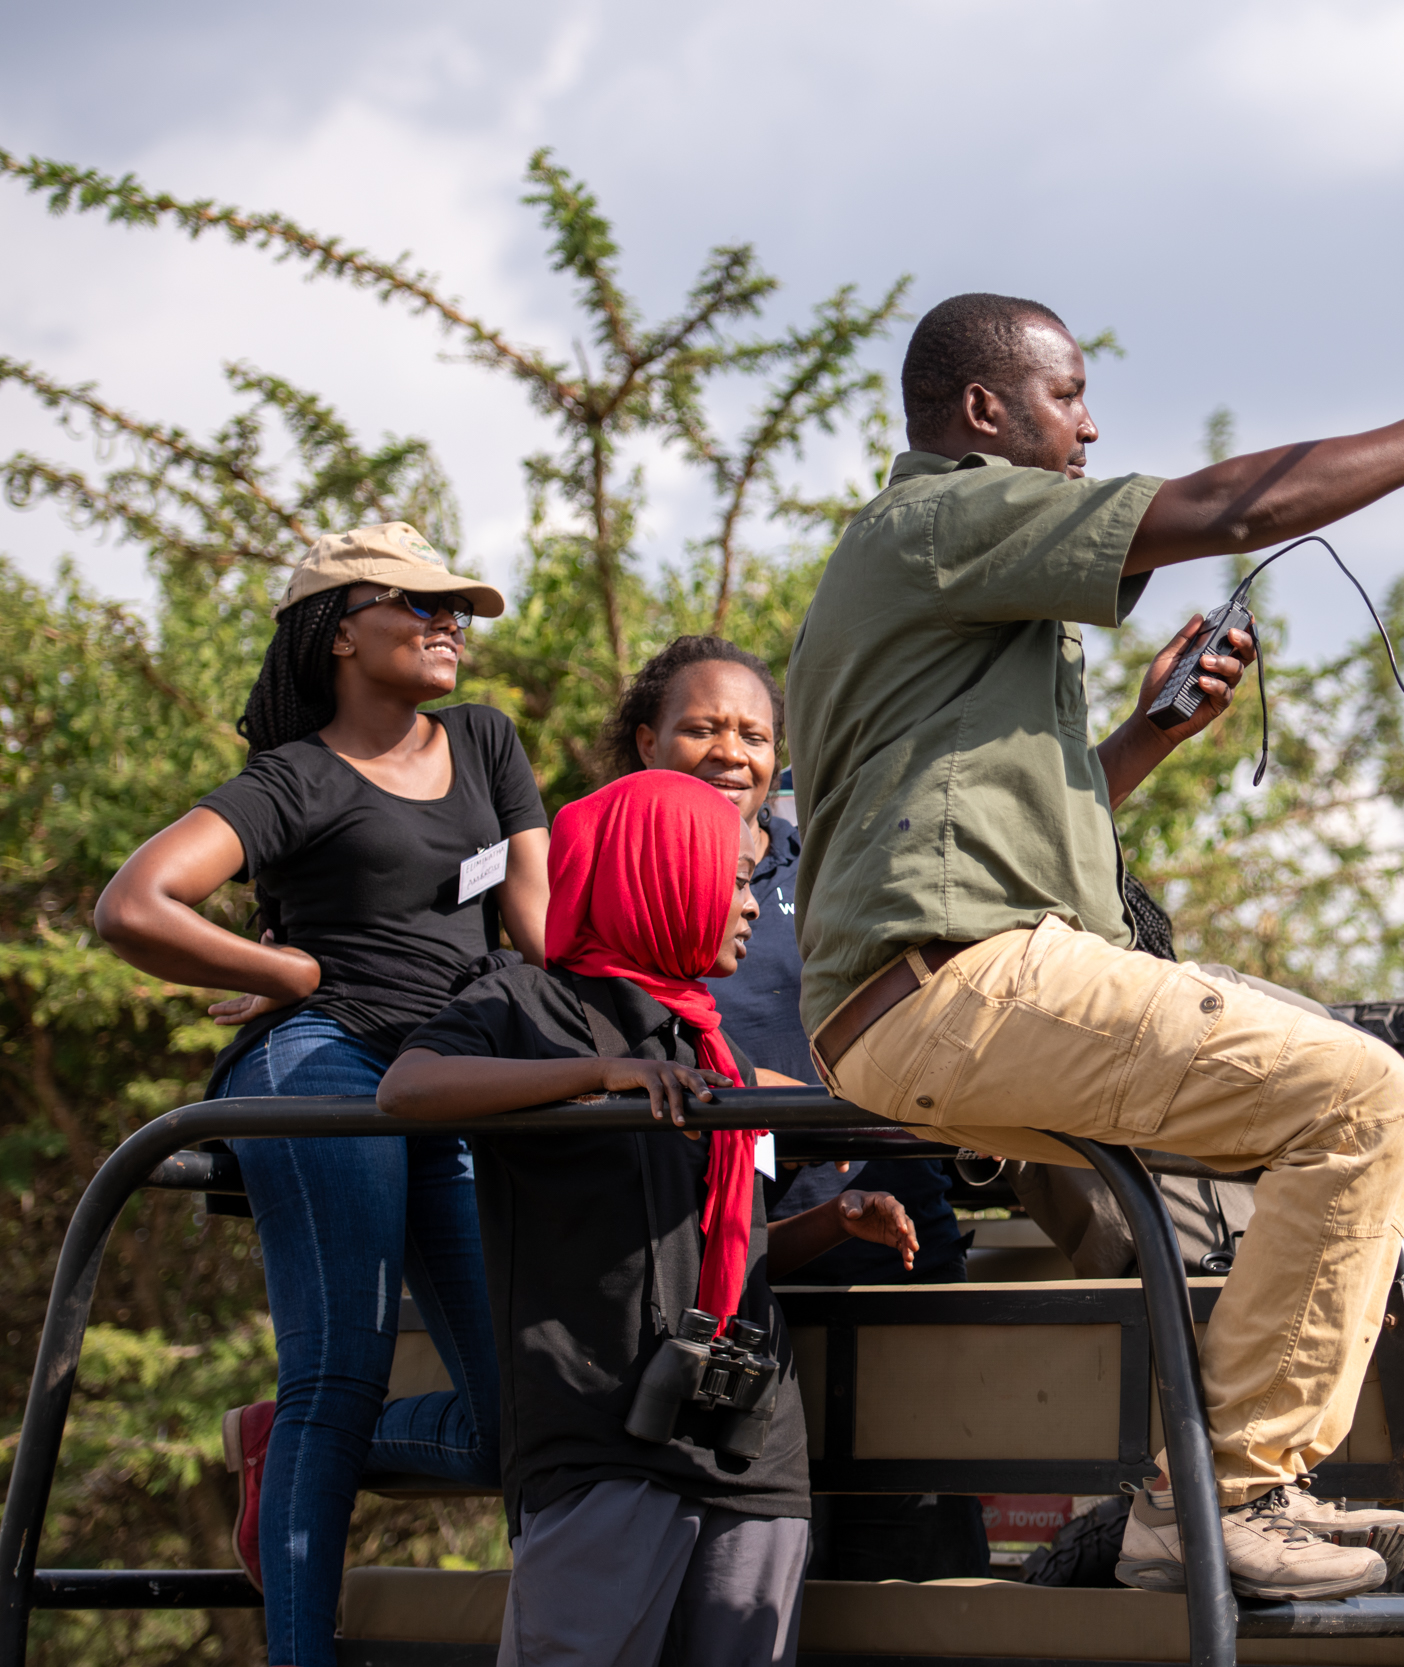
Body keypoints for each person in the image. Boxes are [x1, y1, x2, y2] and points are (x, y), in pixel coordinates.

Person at [783, 291, 1404, 1599]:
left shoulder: (955, 592)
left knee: (1304, 1107)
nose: (1093, 426)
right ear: (986, 412)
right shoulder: (945, 510)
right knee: (1363, 1091)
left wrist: (1153, 732)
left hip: (930, 994)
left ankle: (1216, 1486)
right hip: (957, 984)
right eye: (1070, 395)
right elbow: (1234, 508)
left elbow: (1011, 832)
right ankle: (1223, 1491)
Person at [93, 522, 545, 1666]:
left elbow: (542, 933)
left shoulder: (488, 741)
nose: (449, 624)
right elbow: (134, 904)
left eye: (458, 608)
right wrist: (286, 970)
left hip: (452, 1076)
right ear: (343, 628)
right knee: (336, 1374)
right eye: (421, 604)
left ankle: (280, 1446)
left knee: (523, 1424)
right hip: (330, 1069)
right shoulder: (292, 778)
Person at [379, 768, 918, 1667]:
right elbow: (409, 1086)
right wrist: (598, 1078)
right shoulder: (531, 1004)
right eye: (734, 879)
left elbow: (706, 1255)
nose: (753, 905)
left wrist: (836, 1222)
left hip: (749, 1451)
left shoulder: (712, 1043)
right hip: (603, 1440)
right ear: (661, 873)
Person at [596, 633, 968, 1286]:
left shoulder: (844, 869)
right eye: (702, 729)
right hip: (725, 1260)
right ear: (648, 743)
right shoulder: (611, 891)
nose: (731, 754)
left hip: (897, 1237)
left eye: (754, 736)